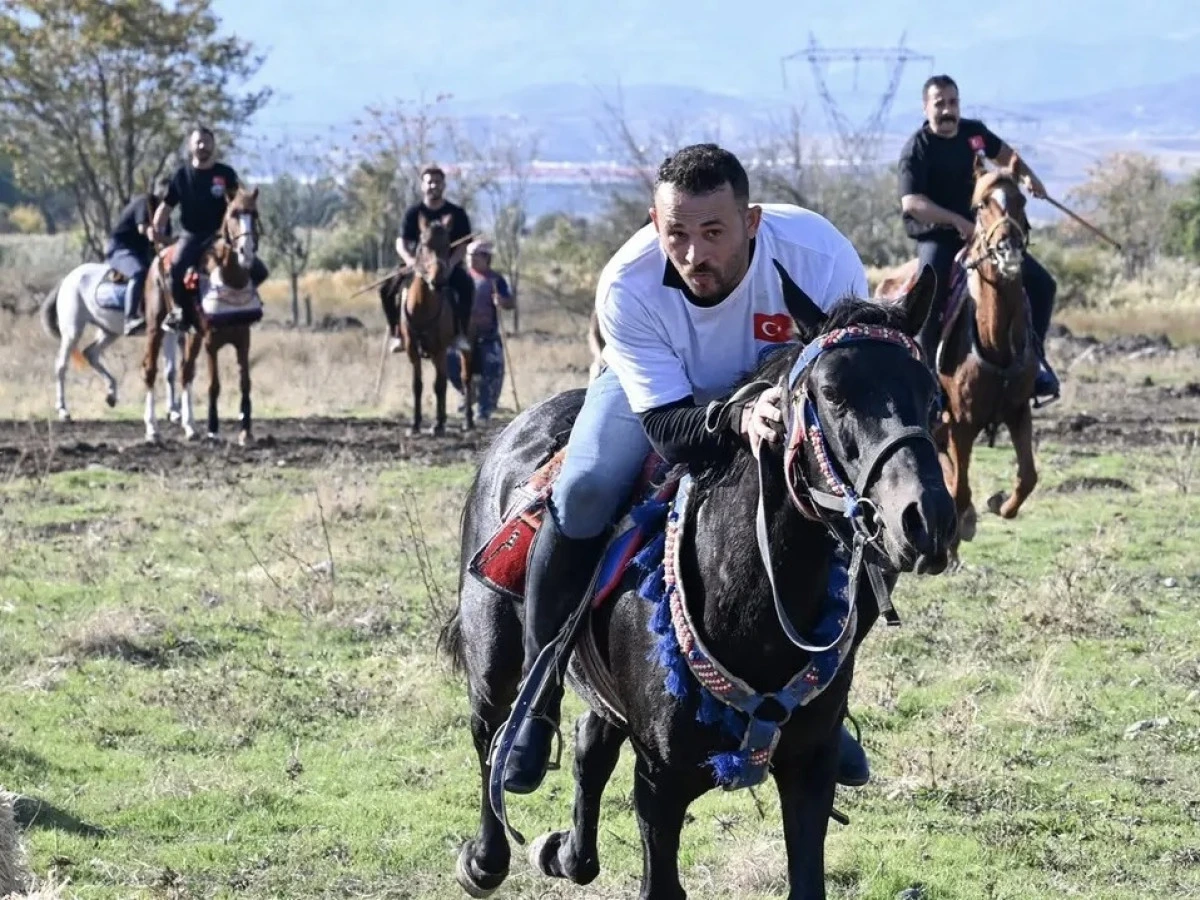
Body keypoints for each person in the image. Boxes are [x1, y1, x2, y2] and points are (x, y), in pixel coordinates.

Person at [503, 143, 874, 795]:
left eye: (713, 232)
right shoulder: (628, 284)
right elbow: (671, 431)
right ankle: (537, 698)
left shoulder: (819, 257)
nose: (694, 253)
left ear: (751, 222)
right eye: (676, 233)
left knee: (852, 509)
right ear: (654, 222)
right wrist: (734, 416)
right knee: (584, 489)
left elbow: (846, 376)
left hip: (778, 396)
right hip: (663, 396)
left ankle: (826, 707)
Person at [897, 74, 1059, 400]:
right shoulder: (917, 148)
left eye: (952, 102)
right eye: (939, 104)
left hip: (984, 235)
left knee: (1043, 285)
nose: (947, 110)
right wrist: (957, 220)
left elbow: (1008, 157)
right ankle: (929, 379)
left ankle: (1036, 362)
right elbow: (911, 203)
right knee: (929, 295)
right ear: (926, 107)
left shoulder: (974, 134)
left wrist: (1029, 178)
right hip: (938, 237)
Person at [151, 126, 268, 331]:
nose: (202, 146)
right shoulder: (181, 175)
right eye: (198, 142)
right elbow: (167, 206)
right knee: (176, 269)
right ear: (191, 146)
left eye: (206, 142)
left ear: (213, 145)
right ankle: (181, 313)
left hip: (220, 236)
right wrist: (156, 228)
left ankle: (244, 301)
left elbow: (240, 200)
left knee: (259, 271)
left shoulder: (226, 173)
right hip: (191, 236)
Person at [384, 165, 474, 353]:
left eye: (437, 182)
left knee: (467, 286)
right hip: (417, 266)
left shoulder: (457, 213)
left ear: (444, 185)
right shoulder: (413, 213)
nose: (434, 185)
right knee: (386, 289)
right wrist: (410, 261)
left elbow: (464, 245)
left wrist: (451, 264)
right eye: (430, 182)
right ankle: (397, 333)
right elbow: (401, 242)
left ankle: (460, 334)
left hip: (447, 265)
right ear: (422, 186)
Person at [446, 239, 514, 421]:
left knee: (491, 369)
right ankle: (467, 395)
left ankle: (484, 410)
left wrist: (502, 301)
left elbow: (510, 303)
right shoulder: (461, 279)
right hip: (462, 334)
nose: (470, 259)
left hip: (487, 334)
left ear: (486, 257)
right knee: (450, 363)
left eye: (474, 255)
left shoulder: (496, 280)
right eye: (469, 255)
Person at [106, 176, 171, 335]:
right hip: (121, 249)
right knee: (139, 272)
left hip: (142, 254)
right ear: (160, 190)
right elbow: (144, 230)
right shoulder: (145, 202)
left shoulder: (165, 214)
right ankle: (130, 318)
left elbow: (163, 242)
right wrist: (172, 240)